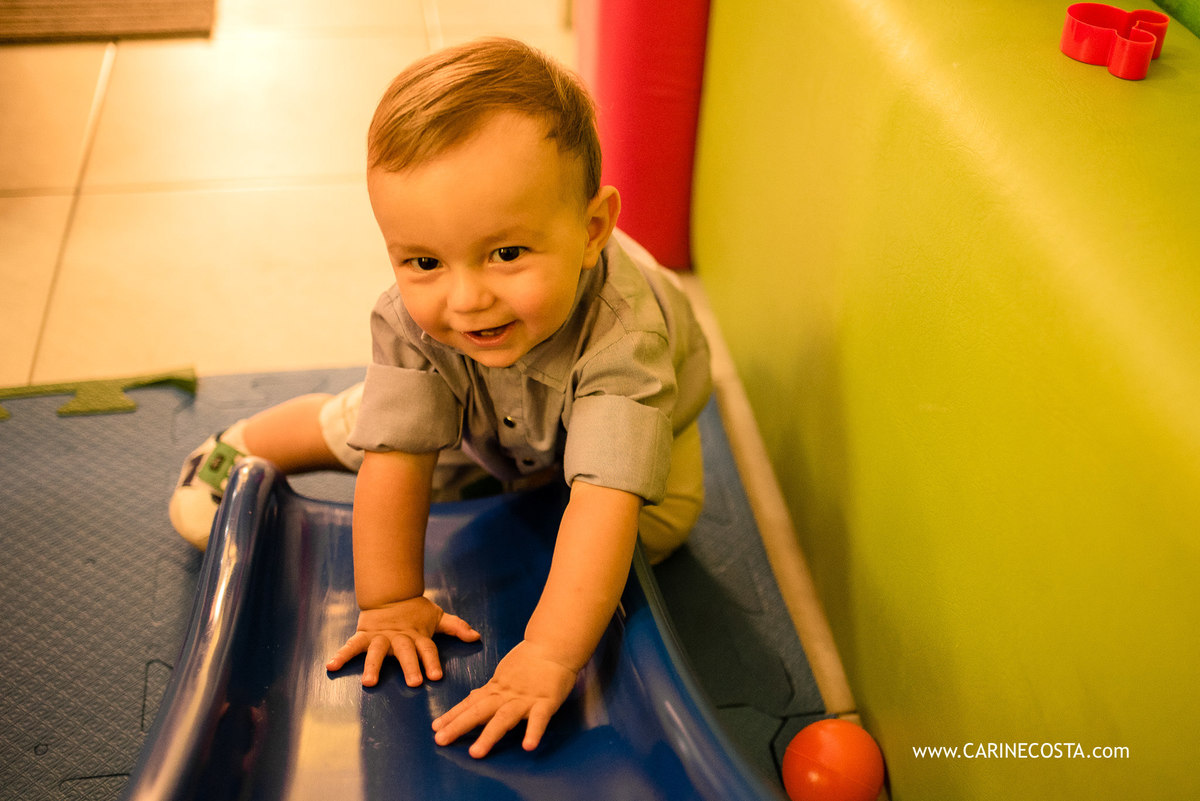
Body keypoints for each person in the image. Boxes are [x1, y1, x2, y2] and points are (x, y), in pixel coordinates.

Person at [168, 37, 712, 758]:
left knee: (652, 524)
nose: (465, 297)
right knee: (369, 425)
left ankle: (541, 486)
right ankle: (252, 441)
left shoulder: (627, 340)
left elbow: (608, 498)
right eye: (422, 261)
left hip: (628, 421)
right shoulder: (419, 320)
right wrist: (390, 600)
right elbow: (394, 459)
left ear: (592, 230)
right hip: (479, 402)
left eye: (507, 253)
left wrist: (549, 652)